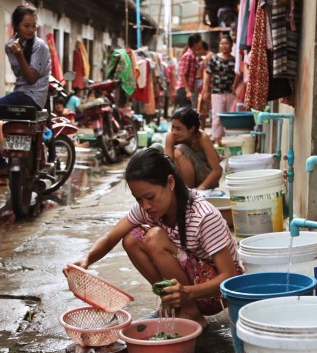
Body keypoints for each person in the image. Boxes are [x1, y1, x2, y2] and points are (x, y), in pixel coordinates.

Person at [67, 148, 241, 328]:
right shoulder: (149, 209)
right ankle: (172, 303)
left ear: (170, 182)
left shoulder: (204, 216)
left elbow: (230, 277)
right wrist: (86, 260)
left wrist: (187, 293)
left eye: (150, 197)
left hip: (217, 293)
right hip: (185, 288)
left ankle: (191, 313)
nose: (146, 206)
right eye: (139, 199)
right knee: (131, 239)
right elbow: (111, 237)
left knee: (155, 237)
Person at [0, 4, 51, 179]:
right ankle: (0, 165)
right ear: (16, 26)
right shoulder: (9, 46)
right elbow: (21, 76)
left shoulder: (40, 46)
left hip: (32, 97)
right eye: (26, 26)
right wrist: (19, 54)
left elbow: (31, 79)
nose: (31, 30)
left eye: (34, 26)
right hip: (20, 95)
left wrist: (20, 56)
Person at [165, 107, 222, 190]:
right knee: (156, 148)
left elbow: (216, 170)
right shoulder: (171, 136)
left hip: (207, 179)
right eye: (172, 127)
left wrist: (201, 188)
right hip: (184, 178)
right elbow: (168, 165)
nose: (174, 132)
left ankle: (188, 192)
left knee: (180, 149)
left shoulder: (202, 138)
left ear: (191, 129)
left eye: (178, 129)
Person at [203, 34, 241, 146]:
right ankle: (217, 141)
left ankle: (228, 141)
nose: (224, 46)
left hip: (231, 93)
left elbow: (239, 73)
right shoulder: (214, 59)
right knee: (217, 117)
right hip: (217, 92)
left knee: (230, 117)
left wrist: (234, 86)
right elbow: (208, 74)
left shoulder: (235, 60)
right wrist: (205, 90)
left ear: (231, 45)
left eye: (226, 44)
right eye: (222, 43)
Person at [175, 34, 203, 108]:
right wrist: (187, 91)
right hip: (184, 90)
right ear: (195, 44)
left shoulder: (193, 56)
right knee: (185, 115)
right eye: (200, 42)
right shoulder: (188, 56)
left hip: (187, 90)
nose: (201, 44)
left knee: (187, 114)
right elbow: (183, 74)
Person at [196, 41, 211, 129]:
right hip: (207, 87)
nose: (197, 52)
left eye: (199, 49)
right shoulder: (209, 56)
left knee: (203, 111)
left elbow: (206, 74)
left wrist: (205, 89)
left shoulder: (208, 58)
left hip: (206, 87)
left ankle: (202, 130)